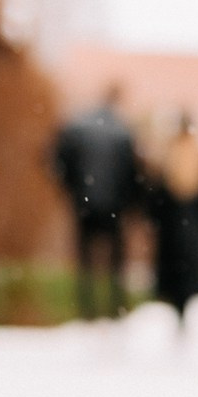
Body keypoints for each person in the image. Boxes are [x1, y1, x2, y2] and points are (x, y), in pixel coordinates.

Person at [50, 85, 139, 320]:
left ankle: (86, 307)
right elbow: (132, 172)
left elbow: (60, 161)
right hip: (113, 206)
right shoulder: (121, 131)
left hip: (84, 204)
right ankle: (115, 306)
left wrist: (72, 189)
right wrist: (128, 202)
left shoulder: (78, 128)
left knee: (85, 257)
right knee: (115, 259)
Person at [148, 114, 198, 321]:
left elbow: (157, 196)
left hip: (172, 226)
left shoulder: (169, 155)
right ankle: (182, 307)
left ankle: (179, 308)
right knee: (187, 272)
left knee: (175, 273)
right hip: (191, 225)